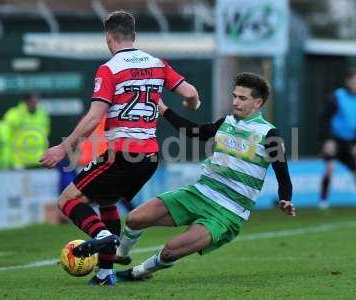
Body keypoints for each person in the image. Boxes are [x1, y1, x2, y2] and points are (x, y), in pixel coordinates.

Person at [40, 10, 200, 286]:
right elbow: (191, 94)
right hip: (149, 159)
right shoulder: (158, 64)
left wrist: (63, 148)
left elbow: (93, 118)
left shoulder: (109, 69)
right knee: (108, 202)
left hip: (121, 155)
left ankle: (101, 237)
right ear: (134, 36)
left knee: (67, 200)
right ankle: (104, 274)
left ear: (108, 37)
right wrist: (190, 106)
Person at [115, 72, 295, 281]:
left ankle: (137, 273)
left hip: (228, 212)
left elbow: (283, 173)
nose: (235, 102)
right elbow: (193, 131)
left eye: (242, 98)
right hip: (200, 193)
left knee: (170, 251)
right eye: (234, 96)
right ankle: (120, 255)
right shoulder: (226, 122)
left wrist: (286, 199)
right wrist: (163, 109)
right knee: (134, 218)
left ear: (258, 103)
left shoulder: (270, 134)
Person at [319, 68, 356, 209]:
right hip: (334, 139)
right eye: (354, 81)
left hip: (351, 140)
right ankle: (323, 200)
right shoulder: (337, 96)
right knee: (329, 167)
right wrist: (327, 140)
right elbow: (324, 118)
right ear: (348, 81)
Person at [4, 92, 50, 169]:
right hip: (19, 160)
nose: (35, 103)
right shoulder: (13, 114)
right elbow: (5, 135)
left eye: (37, 100)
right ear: (26, 101)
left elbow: (45, 134)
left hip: (38, 159)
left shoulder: (42, 115)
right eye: (33, 101)